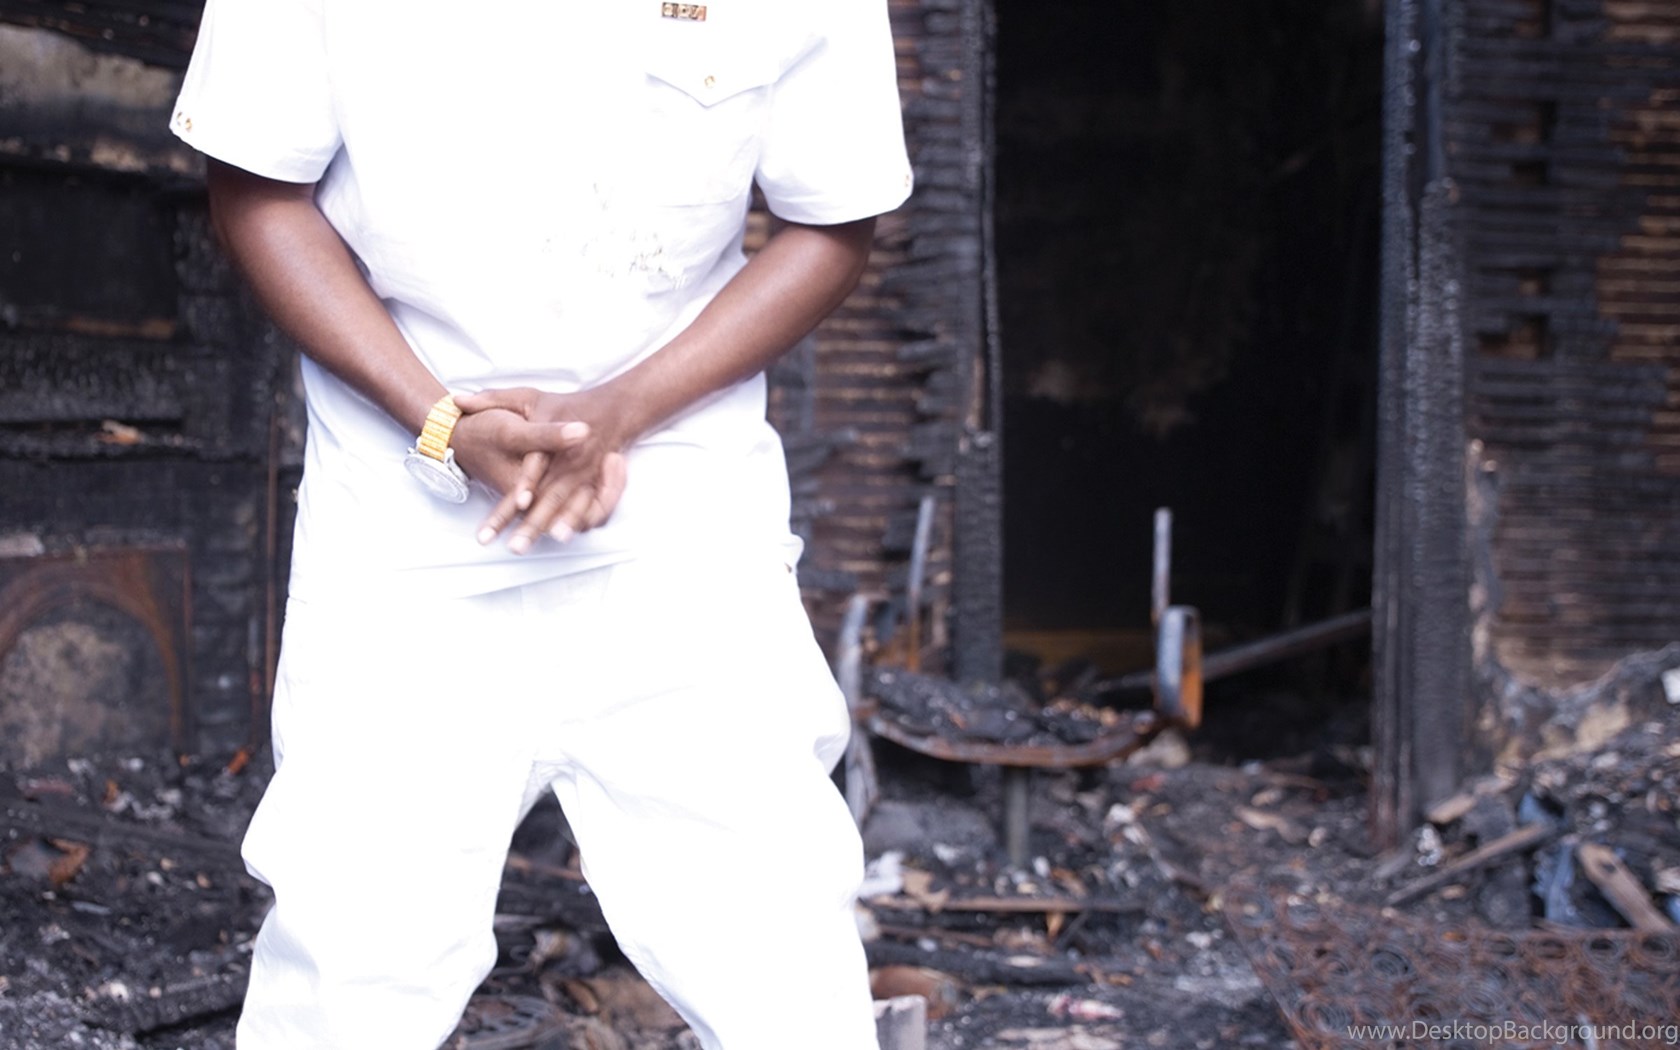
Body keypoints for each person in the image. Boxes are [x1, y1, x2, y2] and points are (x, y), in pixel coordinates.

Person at [169, 1, 912, 1047]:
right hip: (407, 521)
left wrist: (623, 410)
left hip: (678, 520)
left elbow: (832, 222)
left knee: (778, 952)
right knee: (353, 952)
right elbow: (255, 188)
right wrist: (440, 420)